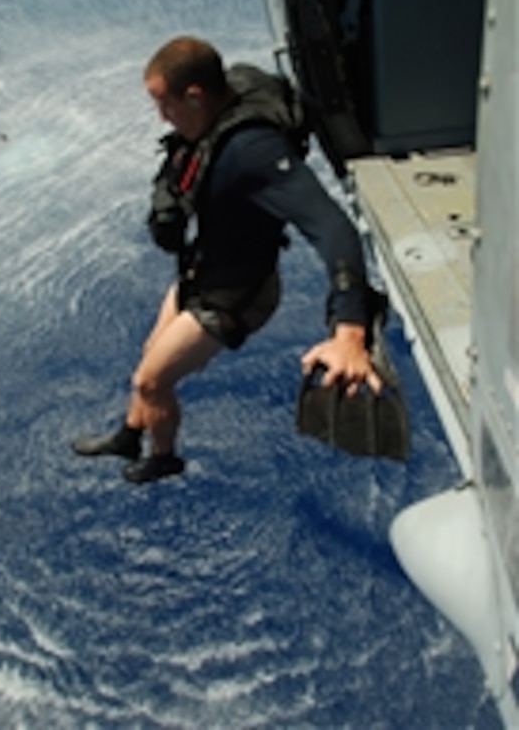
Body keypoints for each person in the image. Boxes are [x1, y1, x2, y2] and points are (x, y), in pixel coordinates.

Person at [72, 36, 383, 483]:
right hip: (203, 271)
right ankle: (129, 433)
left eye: (166, 105)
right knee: (150, 355)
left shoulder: (253, 152)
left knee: (152, 381)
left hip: (237, 294)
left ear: (196, 96)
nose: (162, 117)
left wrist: (350, 331)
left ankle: (164, 458)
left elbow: (333, 228)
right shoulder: (226, 96)